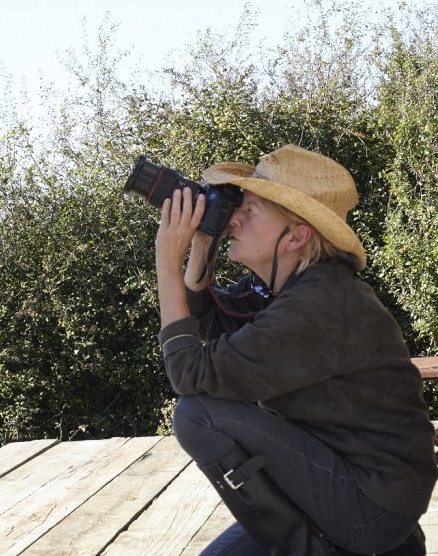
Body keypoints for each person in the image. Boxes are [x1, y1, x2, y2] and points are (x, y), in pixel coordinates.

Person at [154, 144, 437, 555]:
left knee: (198, 416)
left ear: (297, 235)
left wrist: (166, 264)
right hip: (352, 485)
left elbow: (188, 372)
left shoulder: (318, 305)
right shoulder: (293, 289)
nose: (233, 219)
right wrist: (200, 245)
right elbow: (208, 320)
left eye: (250, 212)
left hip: (371, 507)